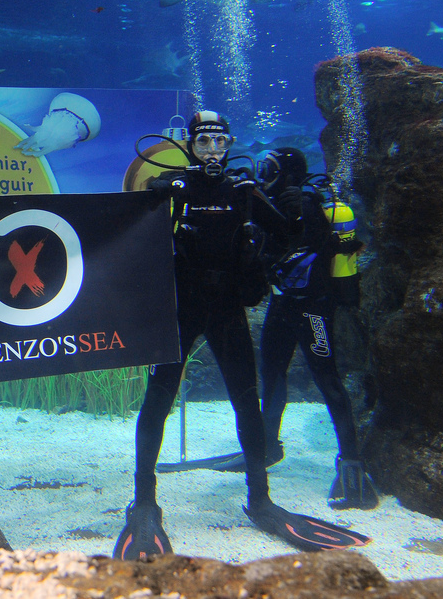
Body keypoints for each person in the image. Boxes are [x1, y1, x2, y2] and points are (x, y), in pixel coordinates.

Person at [114, 112, 370, 560]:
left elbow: (290, 234)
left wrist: (293, 208)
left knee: (245, 401)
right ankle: (144, 501)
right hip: (183, 310)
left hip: (227, 310)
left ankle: (260, 498)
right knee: (159, 398)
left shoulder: (243, 191)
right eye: (204, 142)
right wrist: (155, 194)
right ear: (189, 145)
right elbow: (125, 231)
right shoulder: (179, 189)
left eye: (219, 142)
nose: (213, 151)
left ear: (230, 143)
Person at [215, 147, 378, 510]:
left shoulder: (305, 202)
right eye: (262, 167)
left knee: (327, 379)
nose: (263, 173)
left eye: (269, 168)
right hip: (282, 304)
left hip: (313, 309)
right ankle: (268, 447)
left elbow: (312, 251)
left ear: (287, 173)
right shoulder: (270, 202)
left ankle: (352, 465)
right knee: (271, 373)